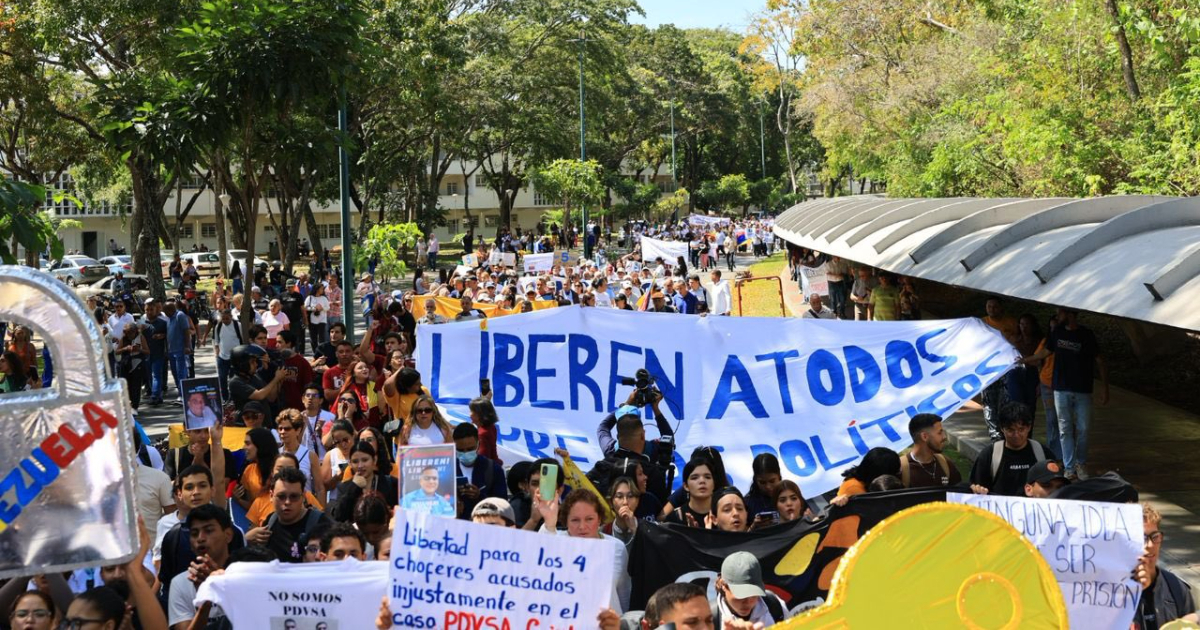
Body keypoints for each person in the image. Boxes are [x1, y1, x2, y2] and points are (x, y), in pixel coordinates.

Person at [1021, 307, 1108, 480]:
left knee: (1083, 428)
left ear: (1069, 315)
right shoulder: (1057, 332)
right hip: (1060, 389)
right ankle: (1069, 468)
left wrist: (1105, 388)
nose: (1057, 316)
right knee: (1064, 429)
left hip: (1082, 389)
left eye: (1060, 313)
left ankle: (1080, 463)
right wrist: (1025, 360)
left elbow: (1099, 360)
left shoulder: (1086, 334)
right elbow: (1045, 352)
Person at [535, 488, 631, 613]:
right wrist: (549, 521)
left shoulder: (617, 547)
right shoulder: (556, 541)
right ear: (566, 521)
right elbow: (539, 559)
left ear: (599, 519)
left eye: (589, 519)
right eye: (575, 520)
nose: (582, 526)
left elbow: (624, 594)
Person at [245, 467, 332, 563]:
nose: (287, 502)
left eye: (294, 496)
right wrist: (246, 540)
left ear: (303, 497)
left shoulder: (321, 523)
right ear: (271, 496)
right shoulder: (270, 521)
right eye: (281, 496)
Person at [167, 504, 233, 629]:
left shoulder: (244, 576)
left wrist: (219, 585)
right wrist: (205, 601)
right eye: (194, 533)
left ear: (228, 535)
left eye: (208, 531)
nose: (200, 538)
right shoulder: (180, 583)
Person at [969, 401, 1054, 497]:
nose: (1016, 435)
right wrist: (977, 490)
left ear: (1029, 427)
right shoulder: (989, 455)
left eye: (1021, 429)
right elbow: (975, 488)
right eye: (1010, 430)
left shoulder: (1043, 454)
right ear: (1002, 428)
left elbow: (1056, 488)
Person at [1135, 503, 1198, 628]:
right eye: (1141, 538)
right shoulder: (1109, 593)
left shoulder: (1177, 588)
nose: (1150, 545)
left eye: (1155, 536)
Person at [713, 552, 790, 627]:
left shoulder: (774, 604)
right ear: (723, 585)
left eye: (753, 594)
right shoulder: (710, 618)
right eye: (741, 595)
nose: (748, 602)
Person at [331, 441, 398, 521]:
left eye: (365, 460)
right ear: (350, 464)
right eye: (355, 461)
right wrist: (354, 487)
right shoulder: (344, 487)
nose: (360, 466)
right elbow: (338, 517)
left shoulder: (391, 483)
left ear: (374, 460)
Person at [452, 422, 507, 517]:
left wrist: (480, 496)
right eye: (460, 450)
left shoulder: (493, 469)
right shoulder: (448, 468)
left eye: (470, 449)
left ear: (478, 444)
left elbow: (503, 506)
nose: (466, 453)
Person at [900, 414, 962, 488]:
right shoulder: (901, 469)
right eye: (940, 433)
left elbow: (959, 493)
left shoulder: (945, 463)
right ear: (924, 436)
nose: (944, 437)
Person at [227, 344, 286, 417]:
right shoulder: (235, 382)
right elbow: (259, 395)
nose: (256, 364)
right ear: (242, 364)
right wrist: (276, 378)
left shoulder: (255, 376)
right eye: (252, 362)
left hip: (264, 423)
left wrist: (280, 379)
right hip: (248, 425)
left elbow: (271, 397)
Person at [663, 458, 715, 526]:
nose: (702, 481)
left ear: (714, 484)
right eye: (695, 478)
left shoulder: (724, 515)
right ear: (686, 486)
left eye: (707, 477)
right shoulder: (675, 518)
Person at [305, 282, 330, 351]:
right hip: (312, 320)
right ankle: (315, 351)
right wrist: (314, 309)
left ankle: (322, 352)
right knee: (313, 338)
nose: (323, 290)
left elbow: (328, 307)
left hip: (322, 320)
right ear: (317, 289)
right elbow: (305, 307)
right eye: (321, 289)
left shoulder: (324, 298)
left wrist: (321, 308)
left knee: (322, 337)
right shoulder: (310, 298)